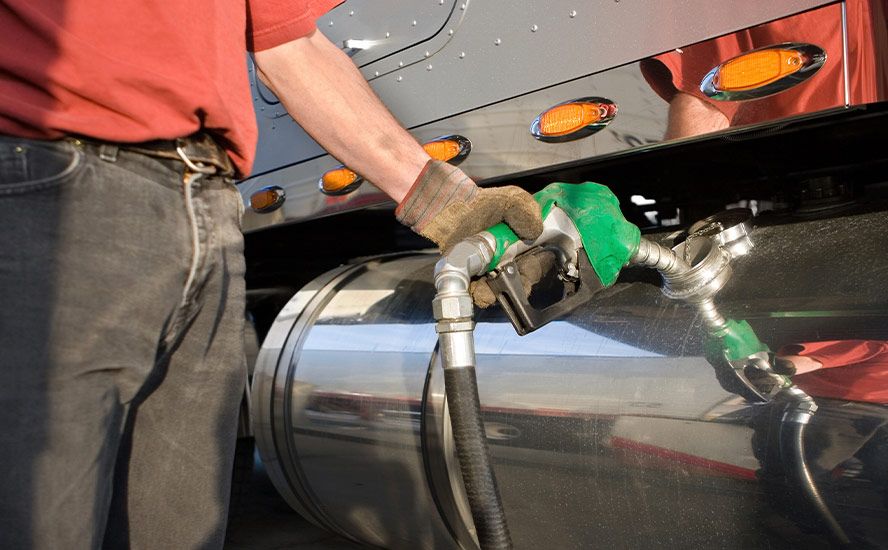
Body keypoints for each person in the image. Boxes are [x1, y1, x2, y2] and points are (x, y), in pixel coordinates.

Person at [0, 2, 543, 548]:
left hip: (206, 201)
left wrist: (446, 205)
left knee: (177, 529)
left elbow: (289, 45)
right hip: (52, 182)